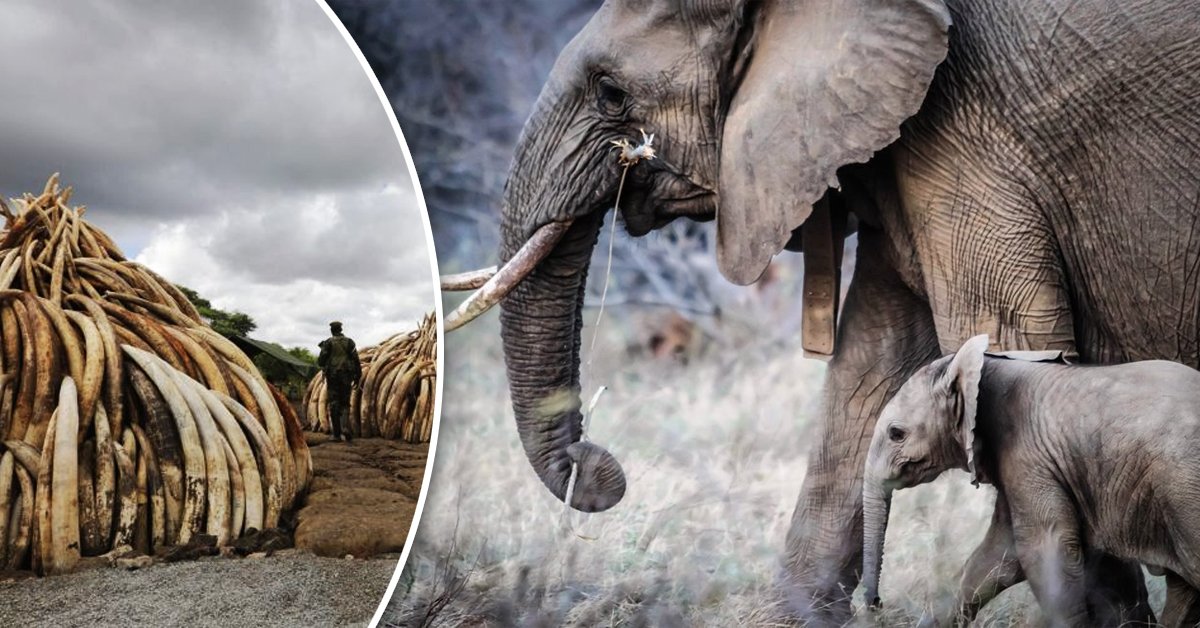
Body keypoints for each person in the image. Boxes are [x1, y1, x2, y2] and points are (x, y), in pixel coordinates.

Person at [317, 320, 361, 442]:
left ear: (332, 330)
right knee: (345, 403)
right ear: (341, 330)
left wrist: (323, 350)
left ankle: (336, 435)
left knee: (334, 403)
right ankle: (345, 427)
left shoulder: (328, 343)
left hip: (333, 377)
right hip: (347, 376)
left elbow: (320, 361)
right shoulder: (350, 342)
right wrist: (358, 376)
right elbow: (356, 360)